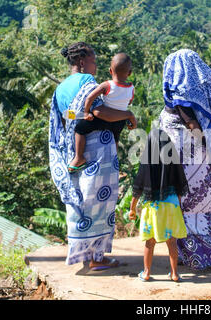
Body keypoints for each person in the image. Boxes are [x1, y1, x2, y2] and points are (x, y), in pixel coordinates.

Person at [49, 42, 136, 270]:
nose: (96, 65)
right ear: (81, 62)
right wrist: (127, 114)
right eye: (94, 60)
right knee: (99, 203)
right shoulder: (87, 82)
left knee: (81, 201)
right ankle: (96, 258)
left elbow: (63, 122)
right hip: (98, 152)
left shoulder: (60, 89)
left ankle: (85, 255)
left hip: (75, 151)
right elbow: (99, 112)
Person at [159, 49, 211, 270]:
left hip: (192, 152)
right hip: (206, 156)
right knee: (209, 201)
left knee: (187, 202)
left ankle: (192, 253)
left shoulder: (180, 94)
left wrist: (210, 148)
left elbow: (192, 124)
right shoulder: (206, 91)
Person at [128, 129, 188, 282]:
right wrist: (178, 206)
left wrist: (132, 209)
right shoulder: (173, 161)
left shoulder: (147, 162)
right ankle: (174, 274)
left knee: (150, 241)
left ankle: (146, 273)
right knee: (171, 241)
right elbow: (180, 185)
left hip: (153, 207)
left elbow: (137, 188)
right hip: (171, 206)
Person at [68, 53, 135, 173]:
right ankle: (112, 163)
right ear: (129, 73)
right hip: (119, 122)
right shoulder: (131, 88)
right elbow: (129, 102)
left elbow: (89, 98)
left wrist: (86, 112)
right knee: (115, 139)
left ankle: (79, 157)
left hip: (102, 119)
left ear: (110, 71)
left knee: (79, 129)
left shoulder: (107, 85)